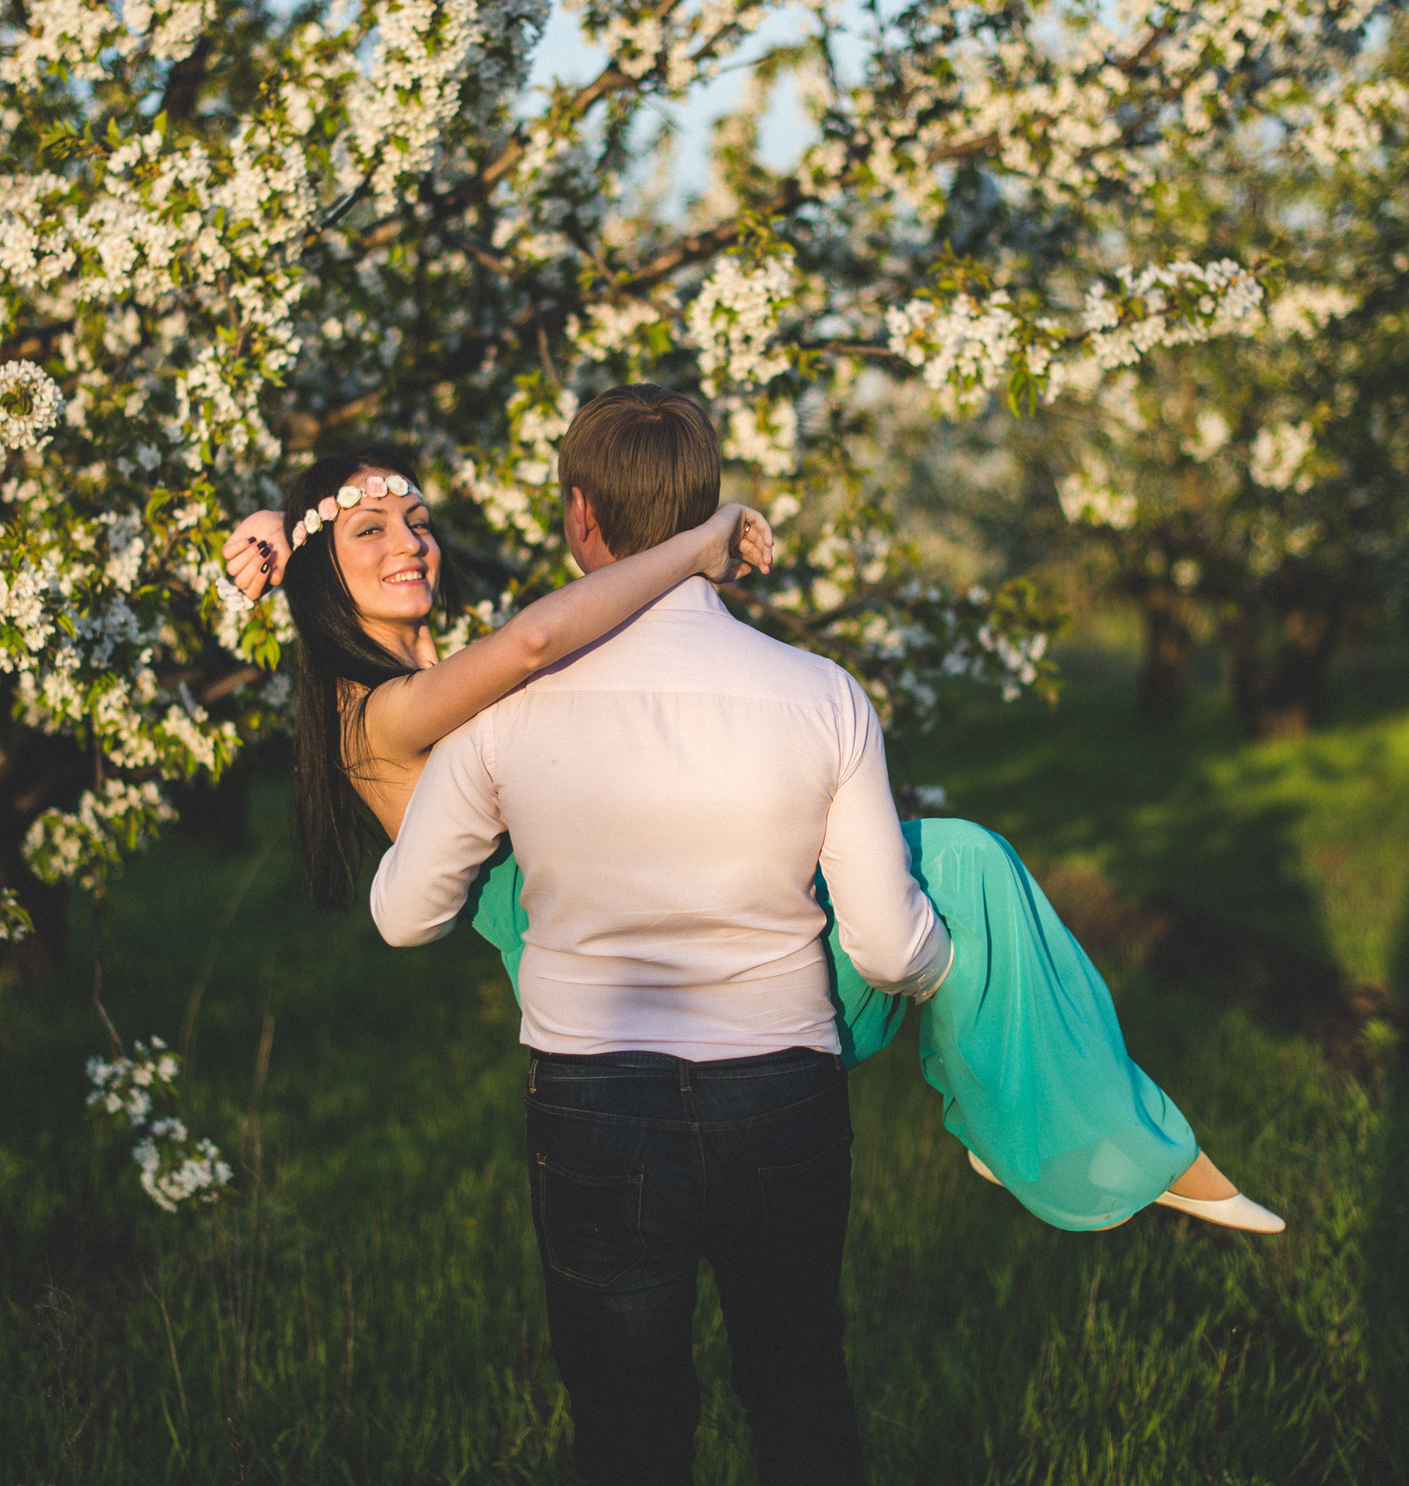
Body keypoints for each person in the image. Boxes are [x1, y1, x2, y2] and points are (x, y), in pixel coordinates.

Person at [227, 391, 1279, 1482]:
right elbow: (539, 636)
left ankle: (1036, 1099)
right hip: (706, 1024)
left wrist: (273, 517)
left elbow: (503, 635)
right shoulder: (408, 705)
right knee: (956, 866)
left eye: (416, 520)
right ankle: (1048, 1107)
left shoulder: (404, 675)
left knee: (635, 1415)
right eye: (372, 530)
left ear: (579, 513)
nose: (412, 542)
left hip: (594, 1045)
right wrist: (700, 543)